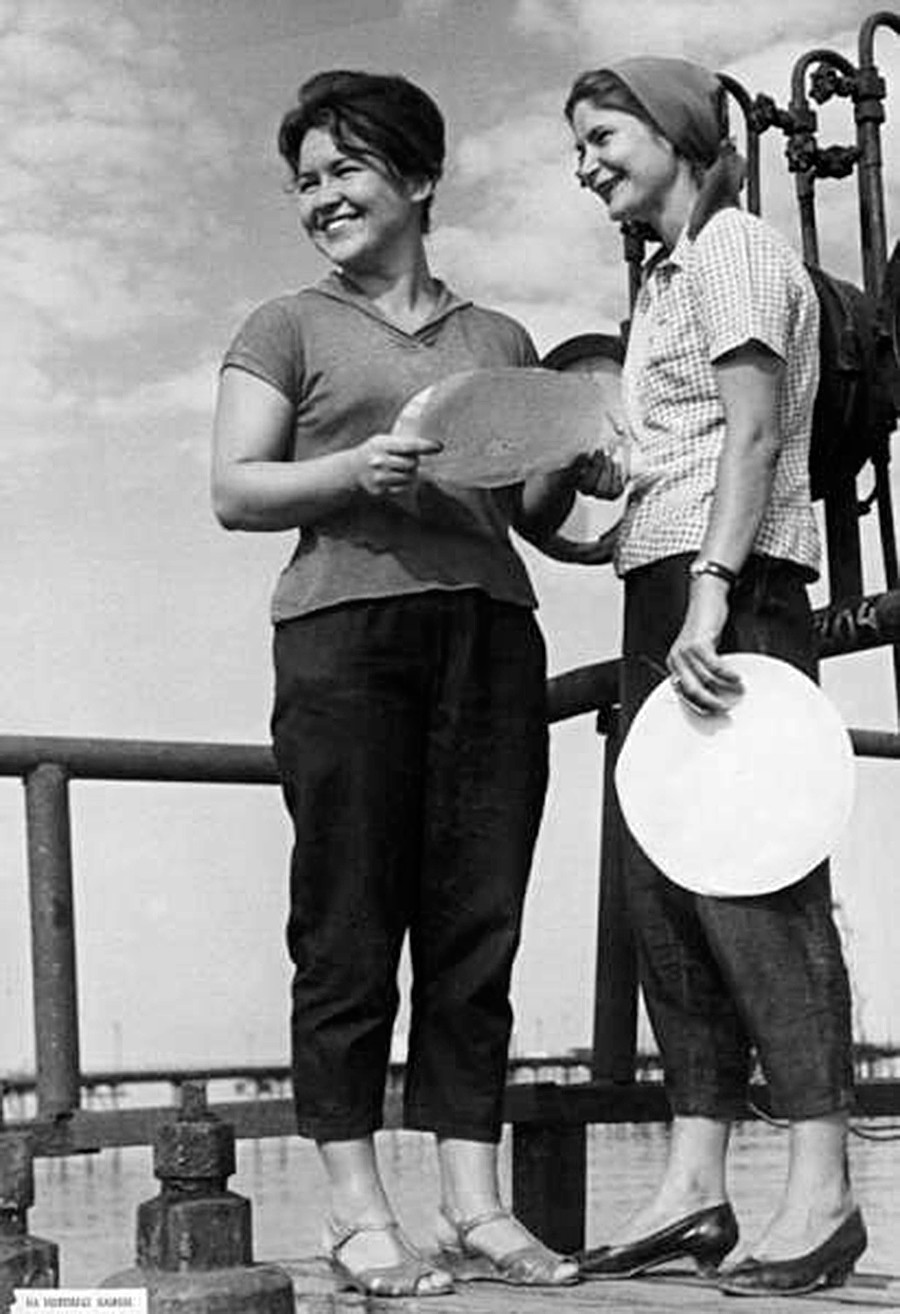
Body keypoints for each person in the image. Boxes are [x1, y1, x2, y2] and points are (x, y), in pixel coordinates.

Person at [211, 69, 587, 1299]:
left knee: (479, 928)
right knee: (349, 924)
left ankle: (474, 1207)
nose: (322, 197)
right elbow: (237, 488)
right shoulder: (286, 325)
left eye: (345, 171)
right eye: (306, 181)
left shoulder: (502, 342)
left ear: (420, 179)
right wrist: (354, 472)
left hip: (491, 638)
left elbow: (523, 505)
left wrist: (589, 459)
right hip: (344, 637)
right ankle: (356, 1212)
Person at [564, 57, 866, 1296]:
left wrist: (711, 593)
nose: (587, 165)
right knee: (666, 892)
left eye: (604, 136)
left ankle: (826, 1190)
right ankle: (696, 1186)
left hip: (724, 588)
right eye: (574, 149)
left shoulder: (737, 244)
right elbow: (690, 439)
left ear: (678, 131)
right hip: (669, 575)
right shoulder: (668, 277)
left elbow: (752, 430)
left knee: (754, 882)